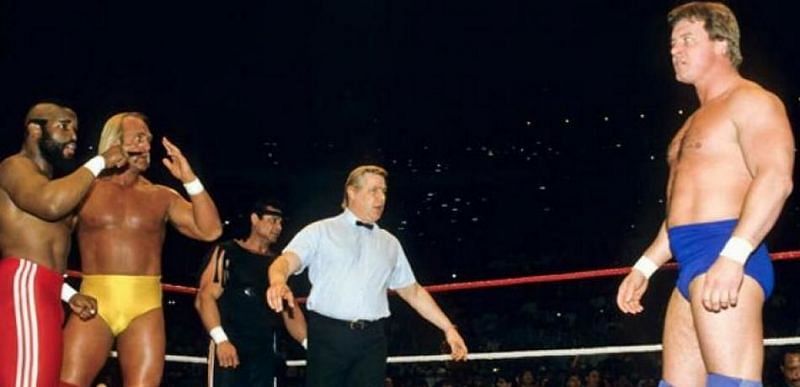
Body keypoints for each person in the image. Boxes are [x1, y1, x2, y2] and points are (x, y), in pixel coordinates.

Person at [615, 2, 794, 386]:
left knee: (732, 384)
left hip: (725, 251)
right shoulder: (693, 122)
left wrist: (733, 256)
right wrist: (645, 267)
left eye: (687, 40)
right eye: (672, 43)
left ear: (722, 45)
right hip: (689, 259)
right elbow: (681, 211)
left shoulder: (752, 101)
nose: (674, 50)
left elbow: (776, 179)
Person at [60, 112, 223, 387]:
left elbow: (211, 230)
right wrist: (66, 293)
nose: (147, 146)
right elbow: (48, 244)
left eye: (148, 139)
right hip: (94, 301)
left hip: (145, 307)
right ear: (115, 142)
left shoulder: (161, 196)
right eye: (138, 138)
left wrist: (189, 177)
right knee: (67, 383)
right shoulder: (86, 190)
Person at [267, 165, 468, 386]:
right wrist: (278, 282)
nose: (381, 198)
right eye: (373, 190)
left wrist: (448, 328)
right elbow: (285, 261)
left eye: (384, 191)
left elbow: (413, 292)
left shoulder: (390, 243)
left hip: (372, 340)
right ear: (352, 192)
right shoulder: (320, 231)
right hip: (328, 336)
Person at [0, 102, 124, 387]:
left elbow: (46, 249)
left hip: (47, 290)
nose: (73, 135)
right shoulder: (15, 167)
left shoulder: (55, 184)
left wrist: (68, 294)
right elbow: (50, 204)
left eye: (76, 129)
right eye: (63, 126)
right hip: (25, 285)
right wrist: (100, 161)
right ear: (34, 129)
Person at [195, 199, 307, 386]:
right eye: (273, 220)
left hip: (265, 351)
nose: (278, 227)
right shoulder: (227, 252)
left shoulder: (279, 264)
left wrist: (308, 344)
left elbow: (291, 310)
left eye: (280, 222)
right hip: (231, 344)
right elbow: (205, 297)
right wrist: (221, 340)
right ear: (255, 219)